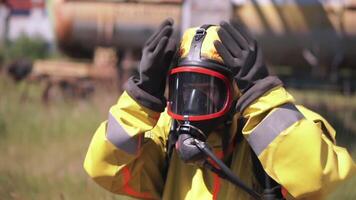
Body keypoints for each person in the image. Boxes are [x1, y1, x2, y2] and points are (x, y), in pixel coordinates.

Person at [83, 19, 355, 200]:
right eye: (184, 90)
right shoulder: (164, 134)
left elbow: (315, 177)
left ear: (235, 90)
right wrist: (140, 99)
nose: (193, 103)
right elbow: (104, 168)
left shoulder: (279, 125)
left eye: (207, 91)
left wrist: (262, 96)